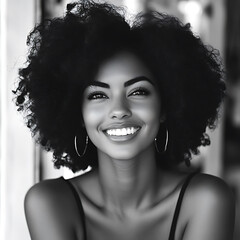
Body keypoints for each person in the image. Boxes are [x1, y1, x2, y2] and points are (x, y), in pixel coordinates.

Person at [13, 1, 235, 239]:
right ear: (77, 113)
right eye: (98, 95)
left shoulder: (207, 199)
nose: (119, 110)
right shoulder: (50, 203)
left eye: (138, 92)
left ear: (166, 107)